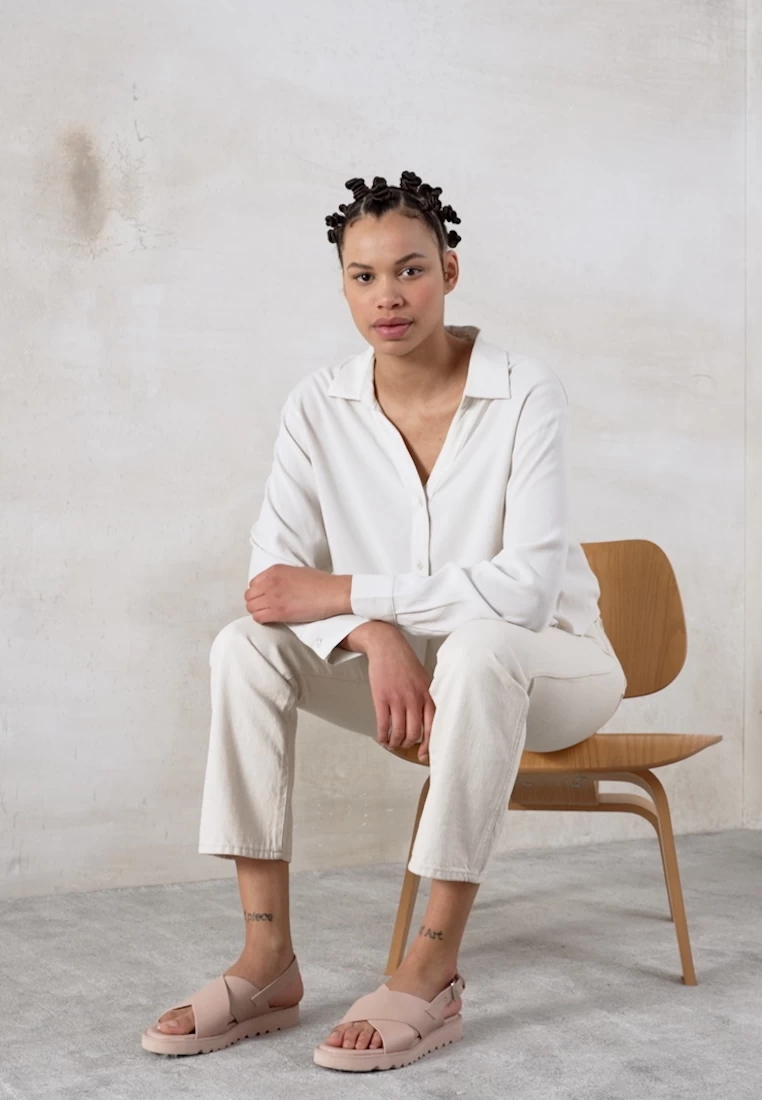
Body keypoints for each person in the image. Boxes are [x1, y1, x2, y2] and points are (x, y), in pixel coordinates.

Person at [141, 171, 627, 1072]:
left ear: (449, 271)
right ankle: (265, 958)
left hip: (553, 667)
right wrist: (373, 633)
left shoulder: (526, 391)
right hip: (414, 676)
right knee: (244, 648)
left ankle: (432, 968)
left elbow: (523, 593)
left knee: (481, 644)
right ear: (343, 287)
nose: (388, 297)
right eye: (363, 277)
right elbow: (274, 586)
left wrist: (354, 594)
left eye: (410, 270)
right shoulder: (317, 403)